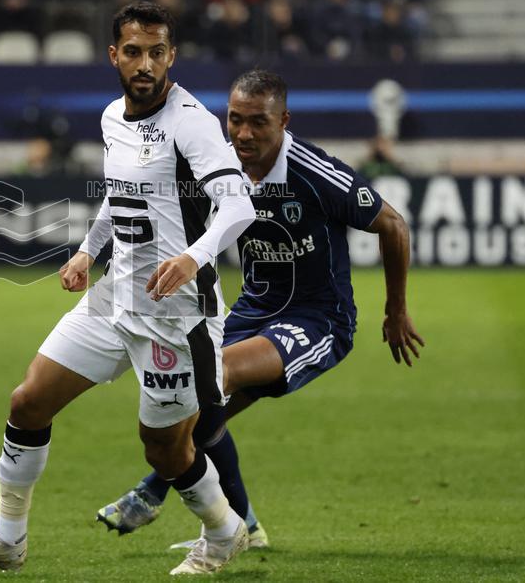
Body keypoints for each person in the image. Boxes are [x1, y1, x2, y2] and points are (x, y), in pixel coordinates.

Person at [96, 69, 424, 549]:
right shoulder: (219, 167)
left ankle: (152, 493)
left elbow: (393, 225)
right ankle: (243, 525)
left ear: (284, 121)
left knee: (212, 381)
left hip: (318, 318)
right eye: (235, 120)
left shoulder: (313, 172)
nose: (244, 134)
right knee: (202, 412)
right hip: (253, 310)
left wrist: (395, 310)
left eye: (258, 123)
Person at [0, 2, 256, 576]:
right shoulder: (112, 118)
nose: (145, 63)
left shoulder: (193, 125)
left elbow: (238, 205)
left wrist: (193, 256)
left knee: (164, 449)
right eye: (133, 51)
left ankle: (224, 529)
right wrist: (88, 250)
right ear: (114, 55)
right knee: (27, 402)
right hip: (113, 299)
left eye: (157, 52)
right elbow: (119, 194)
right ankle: (8, 537)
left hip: (177, 316)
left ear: (171, 56)